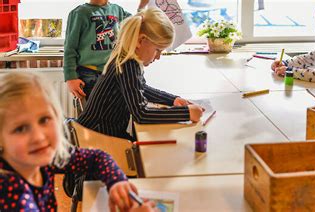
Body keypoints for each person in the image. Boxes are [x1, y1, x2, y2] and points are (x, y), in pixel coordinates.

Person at [0, 72, 155, 211]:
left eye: (44, 119)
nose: (39, 137)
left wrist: (117, 182)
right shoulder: (13, 195)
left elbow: (97, 158)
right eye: (20, 129)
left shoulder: (42, 158)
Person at [78, 8, 204, 140]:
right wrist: (186, 113)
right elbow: (141, 114)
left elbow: (141, 88)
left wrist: (173, 99)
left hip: (99, 133)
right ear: (141, 40)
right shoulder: (128, 64)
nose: (158, 57)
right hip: (96, 138)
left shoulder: (127, 58)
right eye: (158, 50)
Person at [64, 0, 149, 99]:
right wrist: (71, 78)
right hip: (89, 73)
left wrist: (142, 6)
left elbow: (137, 23)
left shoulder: (118, 10)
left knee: (115, 108)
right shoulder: (79, 13)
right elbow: (70, 48)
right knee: (97, 109)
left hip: (113, 72)